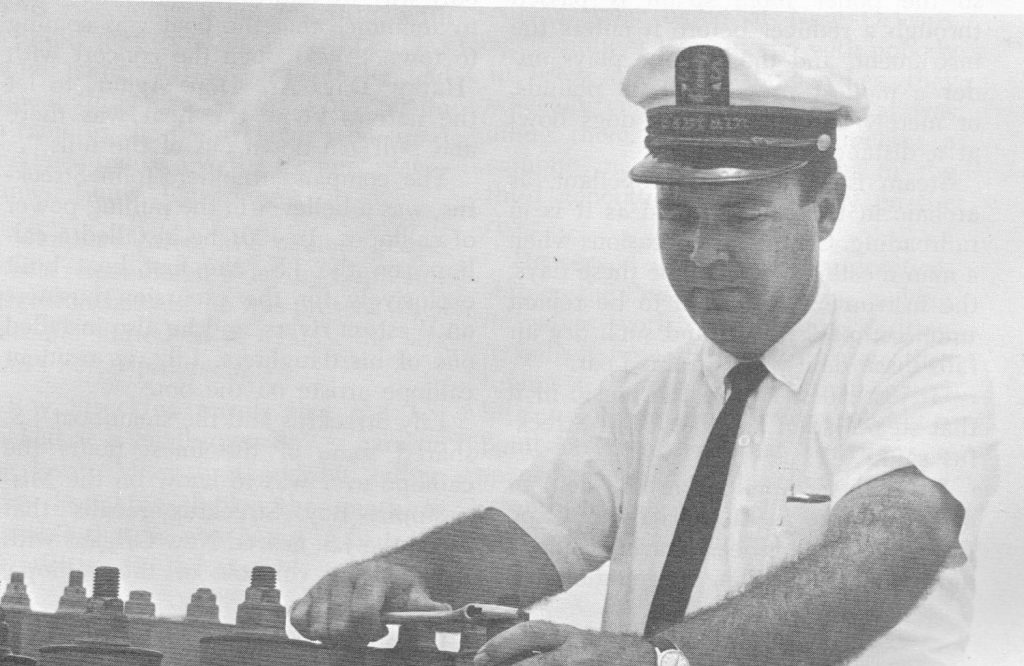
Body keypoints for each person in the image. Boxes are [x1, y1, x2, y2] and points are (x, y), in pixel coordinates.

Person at [291, 34, 998, 665]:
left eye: (744, 217)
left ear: (830, 208)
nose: (703, 252)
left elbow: (887, 557)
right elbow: (529, 536)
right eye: (677, 214)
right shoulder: (639, 399)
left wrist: (658, 661)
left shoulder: (917, 371)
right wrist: (403, 573)